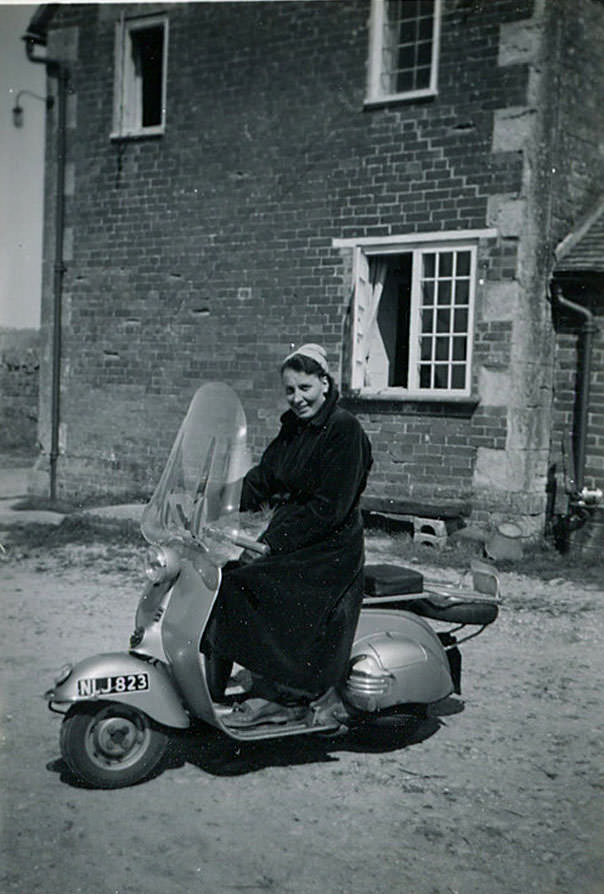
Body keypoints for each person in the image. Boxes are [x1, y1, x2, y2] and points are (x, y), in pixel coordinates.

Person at [201, 343, 373, 727]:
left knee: (245, 587)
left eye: (305, 388)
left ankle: (281, 695)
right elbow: (263, 480)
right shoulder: (294, 429)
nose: (297, 398)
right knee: (221, 579)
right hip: (292, 537)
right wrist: (209, 499)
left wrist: (274, 544)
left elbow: (329, 509)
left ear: (325, 384)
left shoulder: (345, 430)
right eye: (290, 390)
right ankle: (212, 697)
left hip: (330, 548)